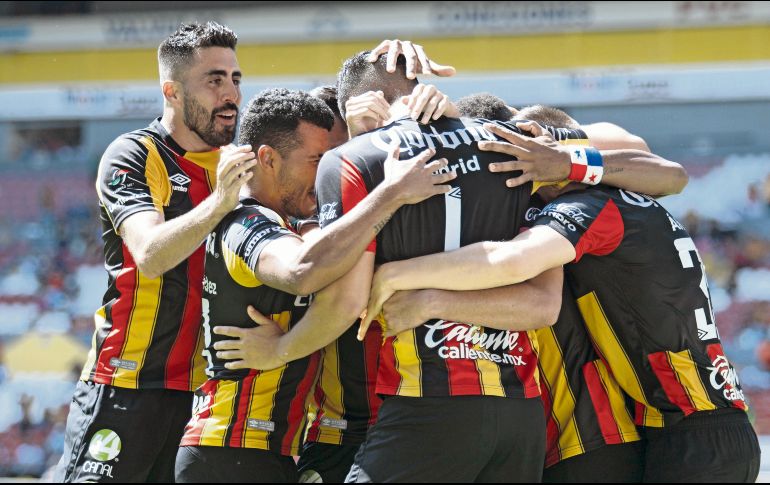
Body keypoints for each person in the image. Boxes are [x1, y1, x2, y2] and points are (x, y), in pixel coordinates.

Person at [365, 108, 761, 483]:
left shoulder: (592, 207)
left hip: (693, 430)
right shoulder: (626, 198)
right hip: (693, 423)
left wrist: (399, 275)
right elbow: (668, 173)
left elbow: (510, 260)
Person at [174, 87, 454, 483]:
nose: (326, 174)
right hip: (229, 450)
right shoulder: (243, 223)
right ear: (268, 159)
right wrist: (389, 194)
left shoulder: (288, 224)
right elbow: (302, 269)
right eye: (317, 161)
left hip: (267, 452)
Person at [55, 21, 254, 483]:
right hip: (127, 385)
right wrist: (221, 203)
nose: (231, 95)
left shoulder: (241, 164)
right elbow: (149, 253)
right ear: (173, 91)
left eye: (235, 78)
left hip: (205, 397)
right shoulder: (132, 155)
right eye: (214, 80)